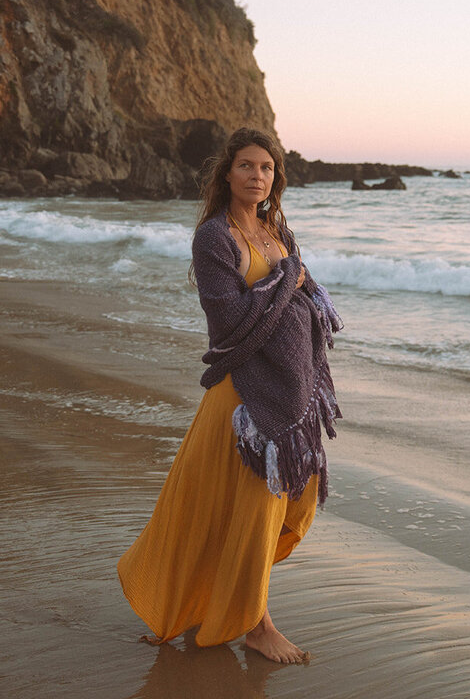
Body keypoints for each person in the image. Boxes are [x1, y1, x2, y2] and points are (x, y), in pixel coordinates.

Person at [117, 127, 343, 664]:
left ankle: (225, 604)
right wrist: (290, 281)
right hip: (241, 400)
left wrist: (293, 284)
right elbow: (229, 323)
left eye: (266, 168)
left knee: (267, 506)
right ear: (227, 173)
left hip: (286, 397)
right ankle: (257, 624)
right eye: (246, 166)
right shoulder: (214, 238)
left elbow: (301, 297)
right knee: (250, 511)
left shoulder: (276, 232)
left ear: (275, 179)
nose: (257, 176)